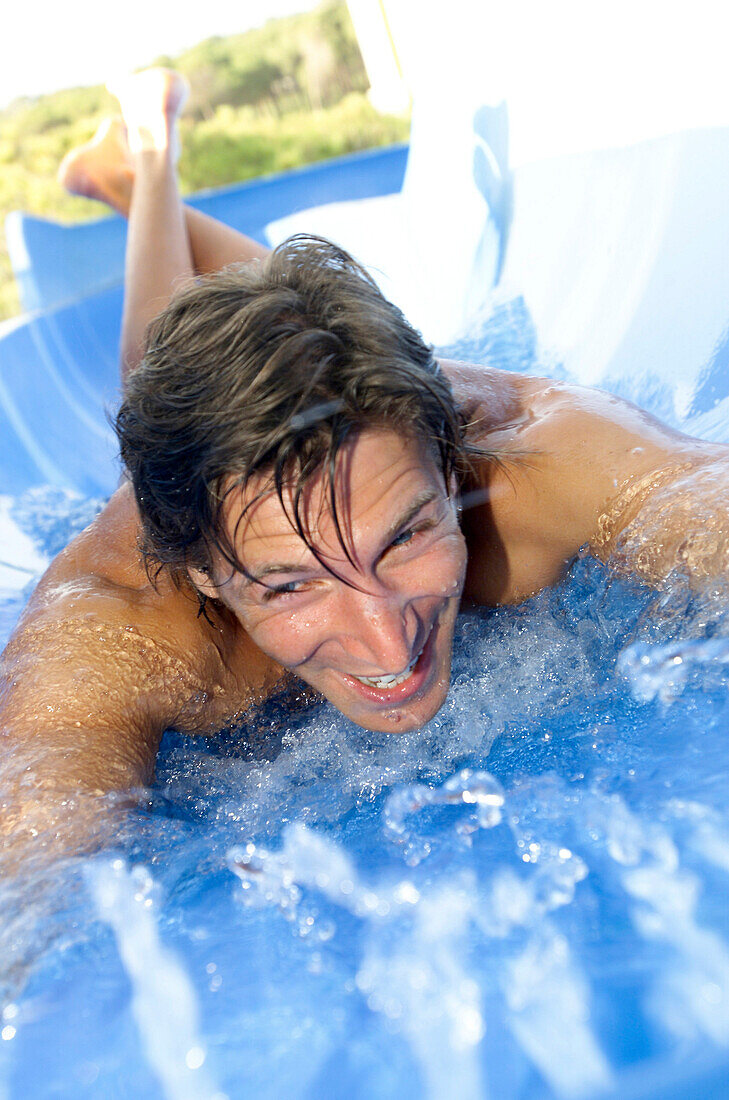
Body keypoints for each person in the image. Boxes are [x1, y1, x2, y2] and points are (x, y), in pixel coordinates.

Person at [1, 69, 727, 860]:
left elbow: (698, 501)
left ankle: (140, 166)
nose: (389, 644)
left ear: (450, 472)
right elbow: (28, 868)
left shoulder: (540, 457)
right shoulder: (122, 629)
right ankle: (144, 158)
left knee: (292, 340)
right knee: (157, 368)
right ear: (203, 573)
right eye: (289, 583)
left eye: (406, 537)